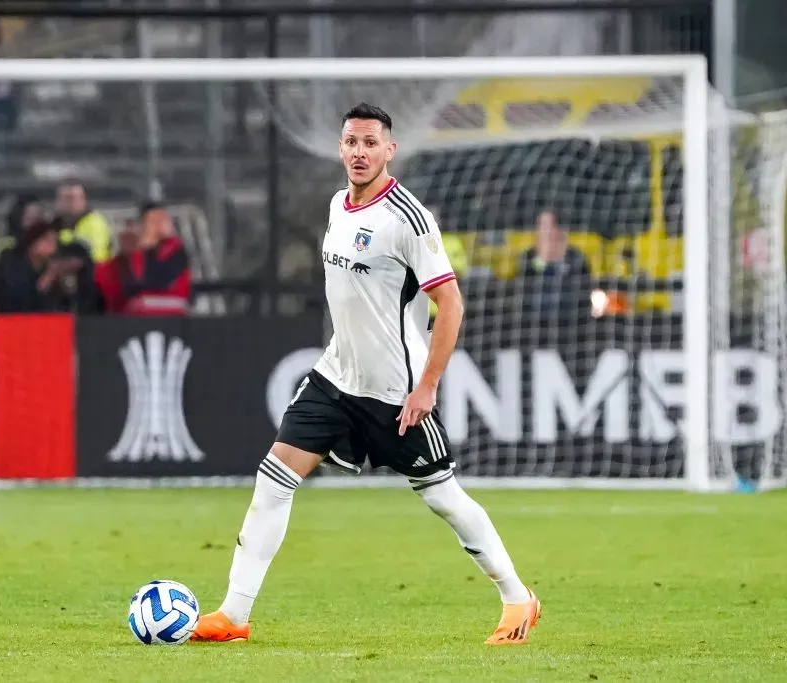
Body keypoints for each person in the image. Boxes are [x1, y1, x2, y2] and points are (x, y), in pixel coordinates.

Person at [191, 103, 540, 645]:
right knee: (274, 478)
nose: (359, 152)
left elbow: (451, 306)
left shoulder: (409, 219)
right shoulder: (338, 206)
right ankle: (234, 615)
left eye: (370, 143)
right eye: (351, 142)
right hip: (334, 378)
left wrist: (426, 385)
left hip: (393, 392)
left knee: (443, 496)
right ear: (341, 147)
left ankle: (518, 598)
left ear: (389, 150)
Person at [93, 201, 191, 315]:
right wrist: (127, 256)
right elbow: (125, 288)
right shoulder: (131, 255)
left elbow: (159, 282)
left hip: (170, 307)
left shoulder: (175, 249)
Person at [519, 210, 592, 320]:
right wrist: (542, 259)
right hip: (535, 321)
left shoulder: (575, 256)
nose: (546, 231)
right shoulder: (528, 257)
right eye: (542, 226)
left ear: (558, 229)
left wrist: (561, 260)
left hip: (570, 319)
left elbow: (584, 288)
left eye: (550, 226)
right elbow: (526, 285)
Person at [54, 180, 113, 264]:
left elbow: (97, 256)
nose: (68, 203)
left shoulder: (95, 222)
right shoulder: (57, 223)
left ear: (83, 199)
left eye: (72, 198)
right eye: (63, 198)